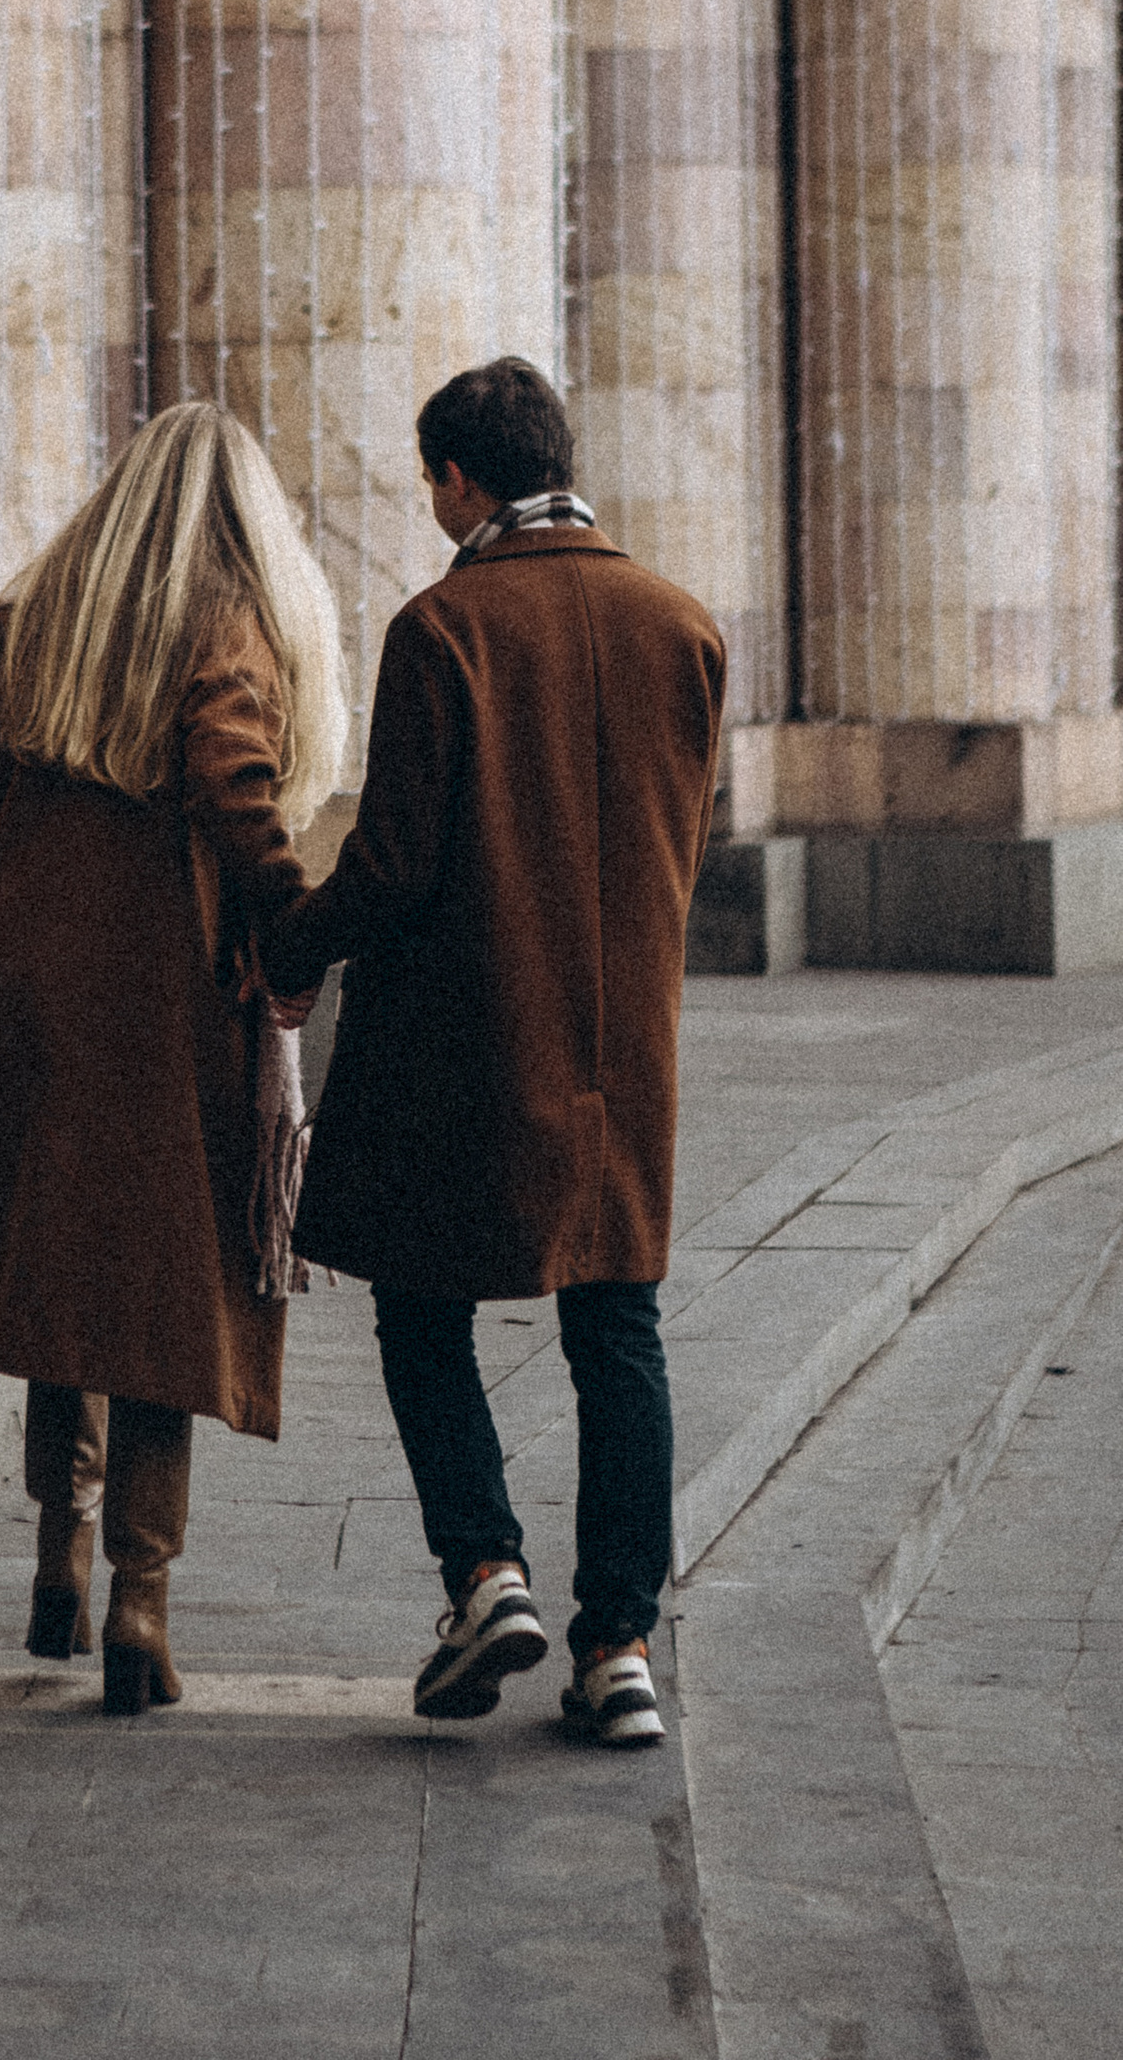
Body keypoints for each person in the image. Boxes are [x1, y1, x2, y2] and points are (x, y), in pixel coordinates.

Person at [260, 355, 725, 1750]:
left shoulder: (445, 629)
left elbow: (393, 868)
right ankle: (621, 1646)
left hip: (466, 1041)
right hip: (625, 1041)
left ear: (462, 478)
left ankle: (483, 1572)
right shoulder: (682, 625)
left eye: (431, 483)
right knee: (618, 1327)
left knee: (419, 1306)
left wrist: (289, 945)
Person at [0, 400, 347, 1718]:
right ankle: (141, 1606)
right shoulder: (225, 621)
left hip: (36, 999)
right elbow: (236, 781)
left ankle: (56, 1552)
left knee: (64, 1272)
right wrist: (291, 923)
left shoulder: (28, 620)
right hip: (166, 1003)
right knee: (168, 1301)